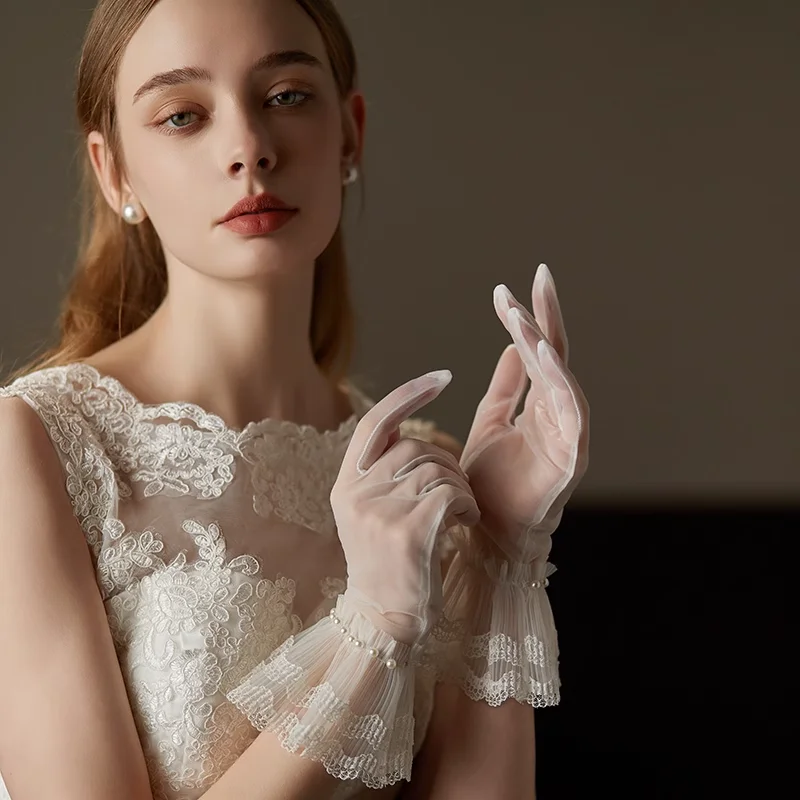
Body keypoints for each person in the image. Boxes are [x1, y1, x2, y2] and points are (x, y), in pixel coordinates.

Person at [0, 1, 590, 798]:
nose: (248, 147)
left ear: (350, 132)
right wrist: (369, 630)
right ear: (115, 172)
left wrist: (501, 558)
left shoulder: (420, 468)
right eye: (182, 115)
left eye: (284, 95)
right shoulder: (37, 444)